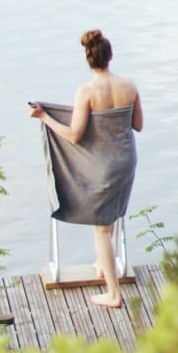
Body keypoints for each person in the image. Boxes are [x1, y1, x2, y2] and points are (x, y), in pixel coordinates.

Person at [31, 29, 143, 309]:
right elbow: (138, 125)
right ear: (110, 56)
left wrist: (44, 117)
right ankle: (103, 263)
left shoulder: (87, 91)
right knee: (112, 216)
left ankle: (114, 294)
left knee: (101, 230)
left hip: (103, 166)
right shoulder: (129, 85)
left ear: (89, 60)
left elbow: (73, 135)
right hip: (127, 161)